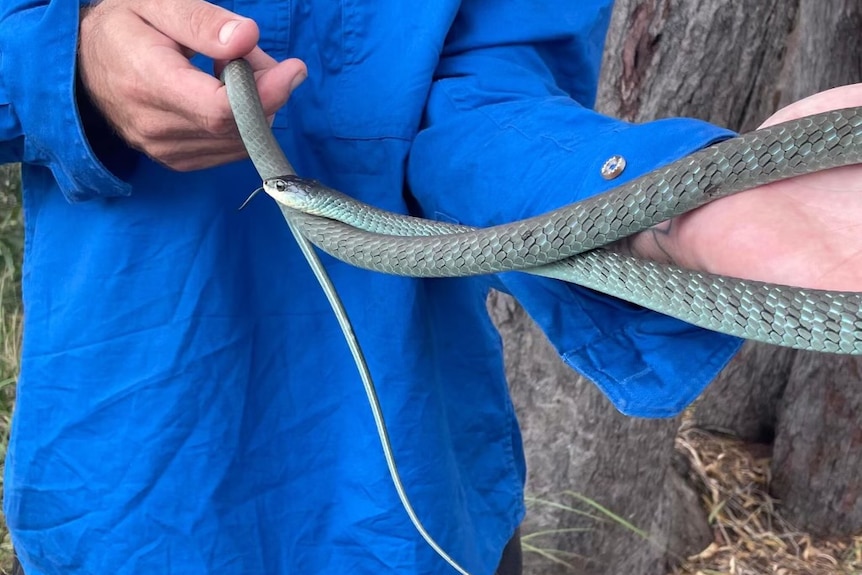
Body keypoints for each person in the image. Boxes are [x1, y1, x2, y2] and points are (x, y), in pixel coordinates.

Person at [0, 0, 860, 573]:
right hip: (138, 486)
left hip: (424, 492)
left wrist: (675, 201)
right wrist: (72, 62)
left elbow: (484, 87)